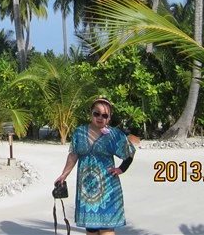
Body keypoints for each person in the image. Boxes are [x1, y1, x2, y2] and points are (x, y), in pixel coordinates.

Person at [54, 98, 141, 235]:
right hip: (86, 190)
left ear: (109, 118)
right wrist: (64, 175)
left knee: (107, 229)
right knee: (91, 229)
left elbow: (130, 153)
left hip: (108, 189)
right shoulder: (79, 133)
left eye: (105, 115)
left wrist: (121, 169)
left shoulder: (113, 135)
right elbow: (73, 155)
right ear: (91, 114)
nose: (100, 118)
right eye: (97, 113)